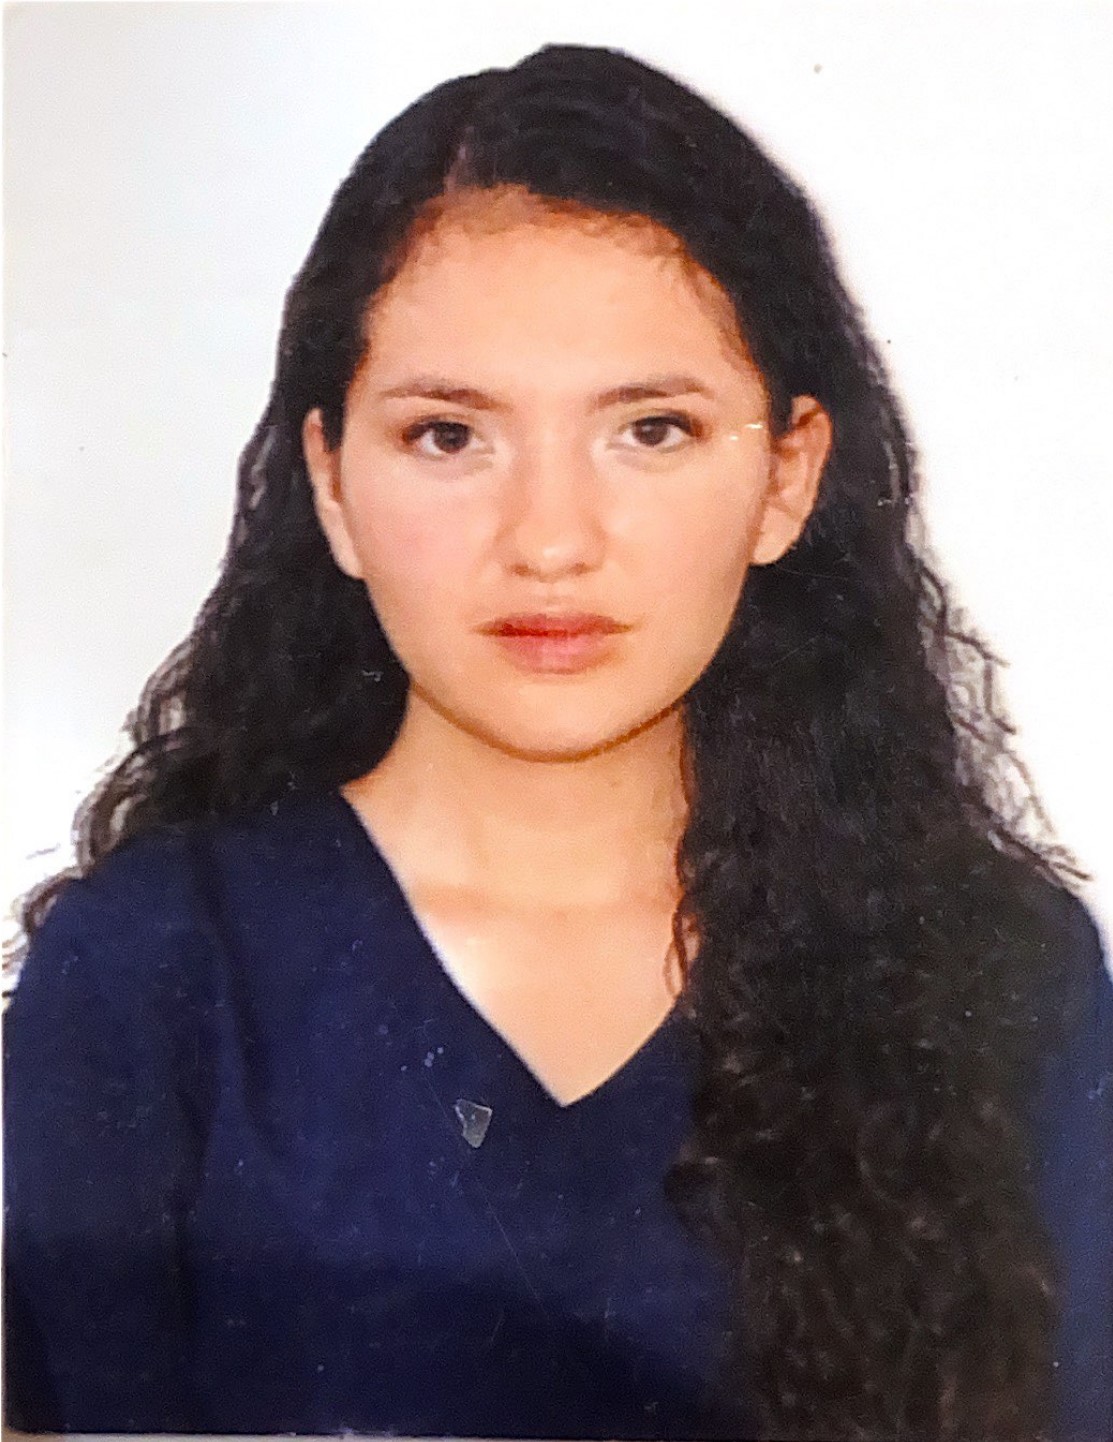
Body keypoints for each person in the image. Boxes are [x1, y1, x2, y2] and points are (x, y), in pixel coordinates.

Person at [3, 40, 1110, 1442]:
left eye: (651, 428)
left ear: (786, 476)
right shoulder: (152, 975)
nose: (548, 540)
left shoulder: (1003, 973)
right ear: (332, 483)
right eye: (447, 435)